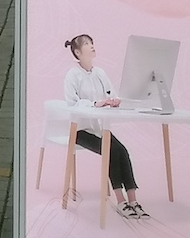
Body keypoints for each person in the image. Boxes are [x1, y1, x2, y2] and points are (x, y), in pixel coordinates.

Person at [63, 34, 148, 219]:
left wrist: (114, 101)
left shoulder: (100, 73)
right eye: (87, 44)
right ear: (77, 52)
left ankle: (133, 201)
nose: (92, 46)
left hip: (100, 129)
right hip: (80, 131)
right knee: (111, 151)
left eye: (92, 43)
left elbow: (111, 93)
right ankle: (121, 202)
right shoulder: (72, 75)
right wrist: (95, 104)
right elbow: (72, 103)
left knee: (122, 151)